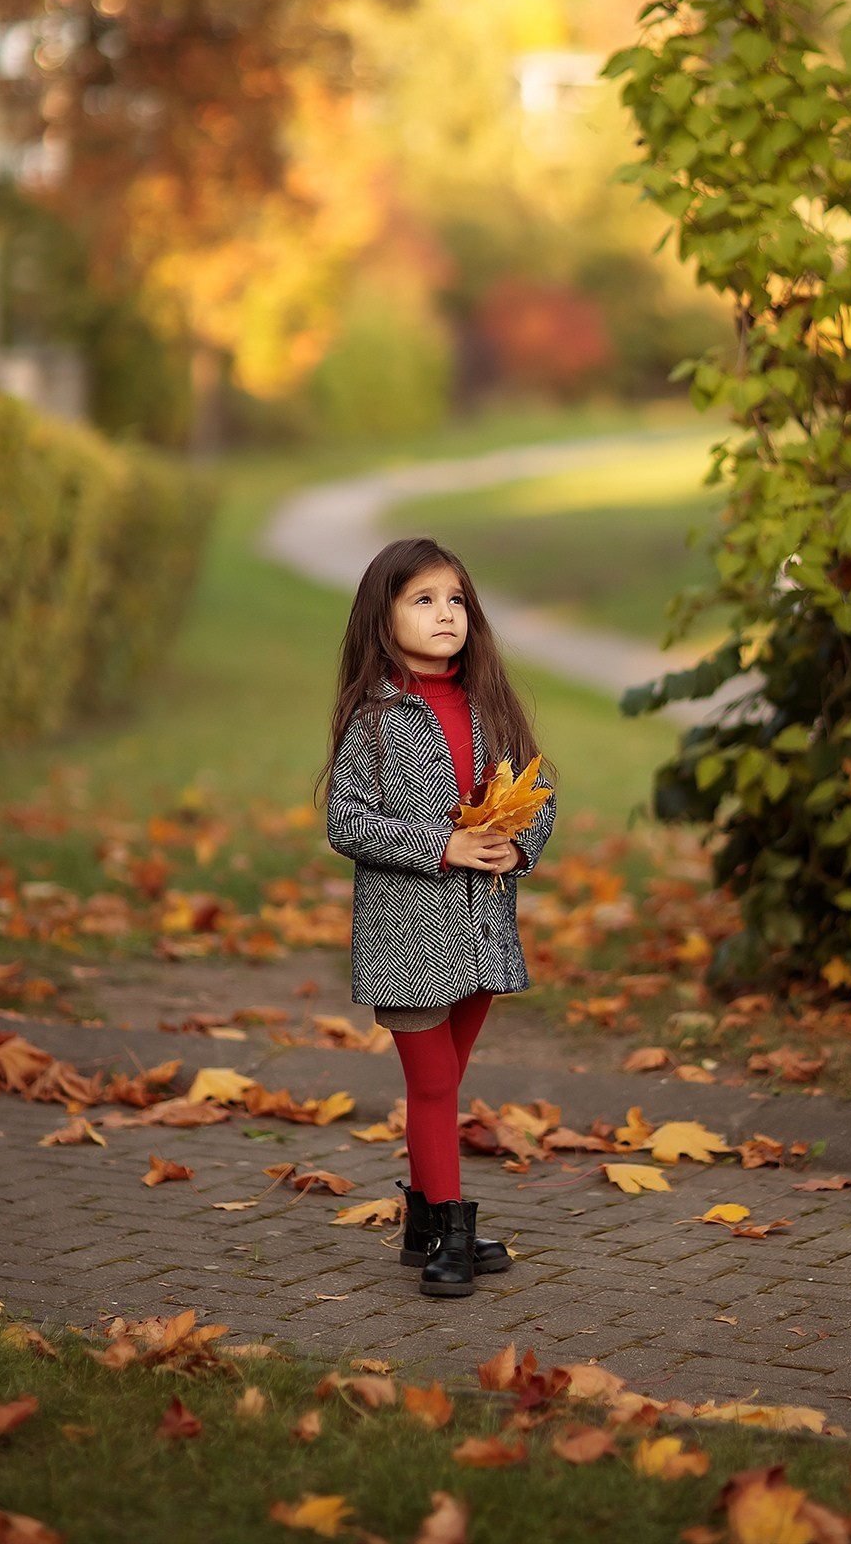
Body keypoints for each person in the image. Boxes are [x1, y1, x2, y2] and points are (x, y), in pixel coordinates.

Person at [321, 535, 555, 1298]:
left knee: (447, 1081)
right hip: (408, 939)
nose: (446, 613)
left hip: (483, 932)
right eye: (423, 600)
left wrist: (516, 853)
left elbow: (539, 797)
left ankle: (426, 1223)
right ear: (383, 618)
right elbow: (347, 823)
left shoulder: (491, 704)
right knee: (433, 1088)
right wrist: (443, 845)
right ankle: (448, 1231)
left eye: (455, 599)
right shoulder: (376, 719)